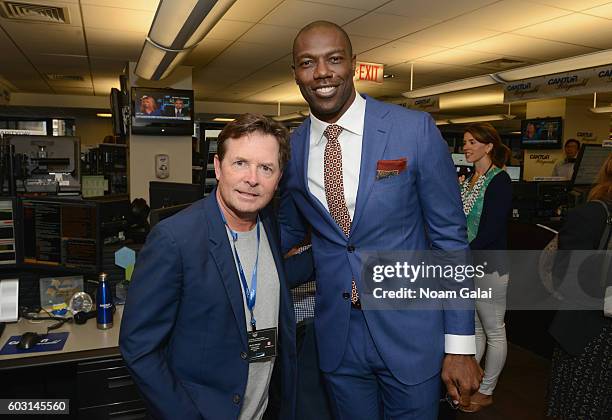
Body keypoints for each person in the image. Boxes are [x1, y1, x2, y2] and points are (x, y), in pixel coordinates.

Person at [279, 20, 482, 419]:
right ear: (296, 73)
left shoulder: (414, 130)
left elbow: (449, 240)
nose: (322, 72)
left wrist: (460, 344)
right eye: (308, 62)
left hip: (411, 335)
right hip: (338, 339)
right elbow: (287, 228)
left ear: (353, 64)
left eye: (334, 59)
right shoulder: (294, 148)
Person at [120, 113, 297, 420]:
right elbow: (139, 348)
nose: (252, 179)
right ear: (218, 167)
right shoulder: (174, 239)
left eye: (265, 168)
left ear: (278, 177)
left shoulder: (268, 224)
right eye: (240, 163)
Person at [547, 153, 612, 419]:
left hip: (591, 338)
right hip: (593, 336)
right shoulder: (596, 215)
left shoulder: (590, 214)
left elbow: (566, 280)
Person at [460, 123, 513, 412]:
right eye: (465, 142)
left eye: (472, 142)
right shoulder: (470, 178)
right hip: (471, 262)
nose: (466, 147)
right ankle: (473, 383)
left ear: (488, 146)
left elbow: (491, 230)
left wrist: (461, 256)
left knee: (494, 330)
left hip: (489, 265)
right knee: (476, 329)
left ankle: (488, 389)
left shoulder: (499, 180)